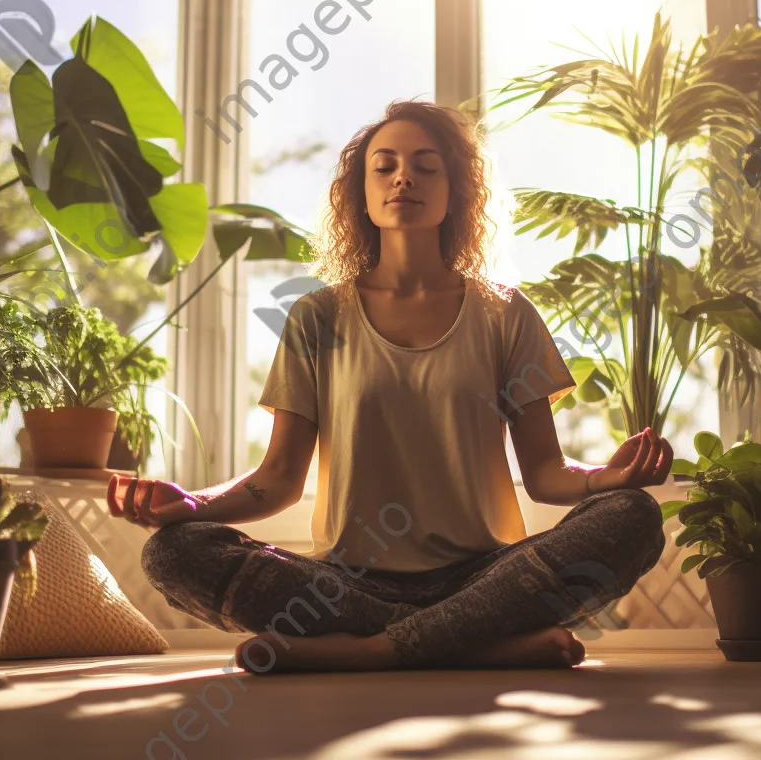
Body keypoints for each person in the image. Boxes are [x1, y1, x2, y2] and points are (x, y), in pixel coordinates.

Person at [108, 100, 671, 673]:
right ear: (363, 192)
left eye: (427, 166)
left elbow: (547, 475)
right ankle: (478, 645)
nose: (404, 176)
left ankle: (376, 650)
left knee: (631, 516)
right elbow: (276, 481)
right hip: (343, 587)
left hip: (484, 576)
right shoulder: (316, 317)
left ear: (456, 191)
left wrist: (610, 477)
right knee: (174, 551)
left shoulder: (505, 314)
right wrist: (193, 503)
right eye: (386, 165)